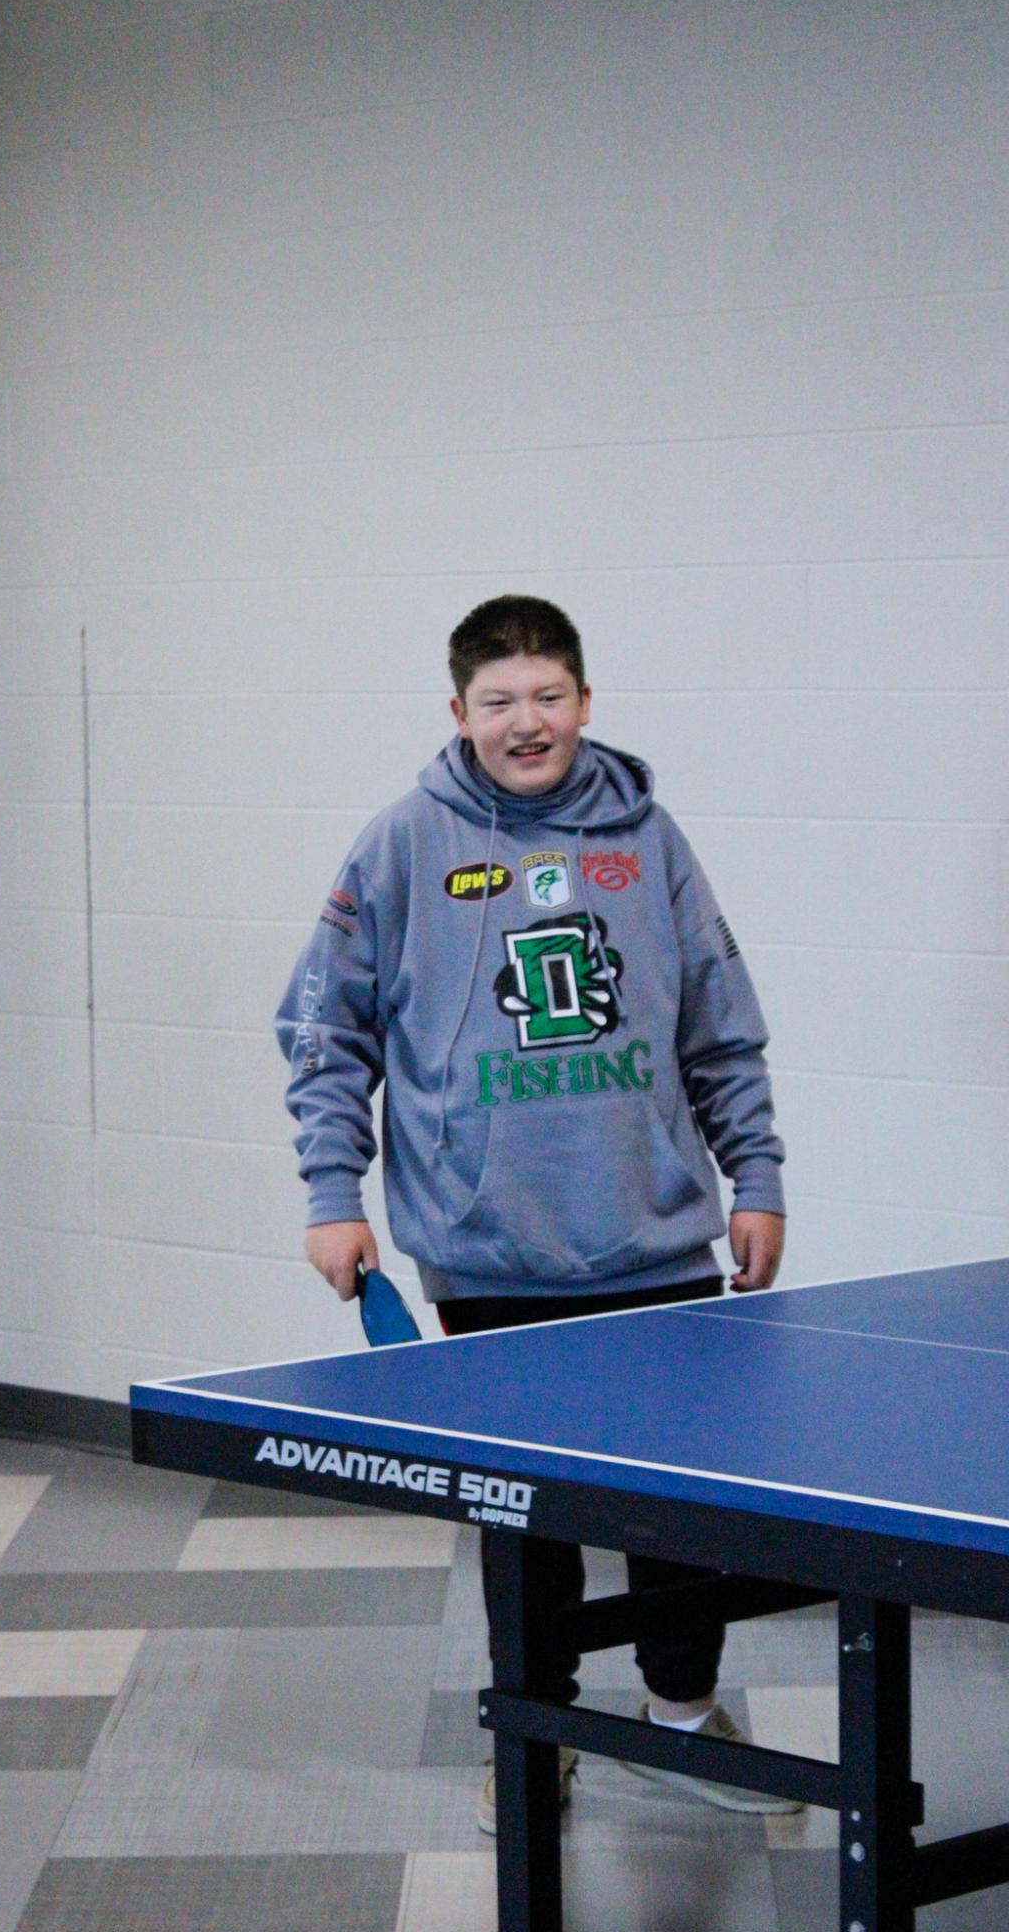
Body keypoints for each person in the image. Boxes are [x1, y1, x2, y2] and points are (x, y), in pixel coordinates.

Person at [275, 595, 797, 1833]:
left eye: (548, 696)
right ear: (457, 713)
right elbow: (322, 1027)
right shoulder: (402, 841)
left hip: (655, 1237)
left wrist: (755, 1174)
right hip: (488, 1249)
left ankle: (679, 1724)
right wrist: (328, 1196)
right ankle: (538, 1732)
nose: (527, 722)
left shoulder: (648, 837)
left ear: (584, 701)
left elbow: (718, 1022)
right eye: (498, 701)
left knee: (681, 1511)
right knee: (527, 1525)